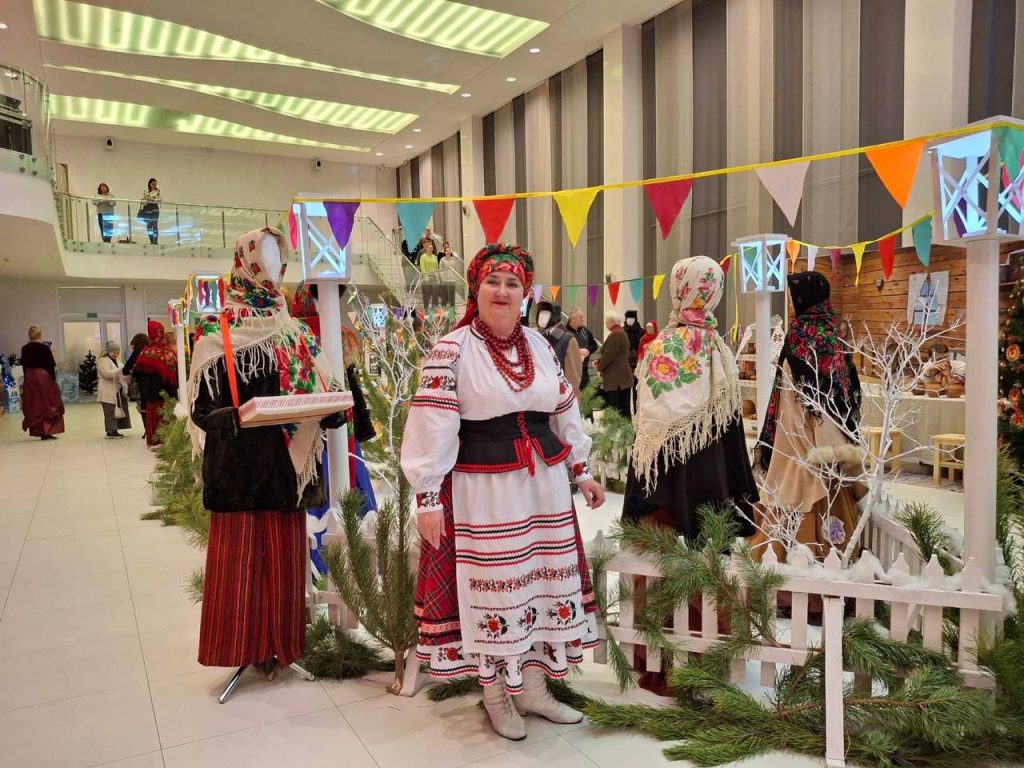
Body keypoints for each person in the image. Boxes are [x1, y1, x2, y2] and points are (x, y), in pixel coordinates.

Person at [401, 243, 606, 741]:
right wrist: (427, 499)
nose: (502, 291)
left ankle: (533, 689)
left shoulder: (539, 346)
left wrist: (581, 471)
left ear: (525, 293)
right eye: (493, 281)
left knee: (540, 586)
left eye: (512, 283)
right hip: (485, 491)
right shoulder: (452, 350)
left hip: (544, 488)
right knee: (497, 591)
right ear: (477, 288)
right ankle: (495, 695)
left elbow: (563, 409)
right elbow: (431, 426)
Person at [188, 228, 346, 675]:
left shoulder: (295, 330)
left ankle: (282, 647)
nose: (275, 268)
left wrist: (331, 412)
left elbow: (322, 388)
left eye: (280, 259)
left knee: (283, 567)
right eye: (267, 258)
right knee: (238, 569)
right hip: (239, 470)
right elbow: (202, 409)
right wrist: (231, 417)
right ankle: (243, 651)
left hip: (285, 473)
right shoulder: (216, 330)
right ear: (247, 262)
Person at [622, 256, 758, 693]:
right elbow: (729, 425)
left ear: (677, 289)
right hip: (708, 474)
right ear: (713, 293)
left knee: (659, 562)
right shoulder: (719, 350)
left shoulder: (660, 346)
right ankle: (704, 655)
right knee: (703, 565)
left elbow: (649, 420)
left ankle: (658, 657)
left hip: (660, 477)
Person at [751, 271, 865, 562]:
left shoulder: (799, 337)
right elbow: (844, 391)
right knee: (827, 493)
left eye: (793, 297)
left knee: (797, 487)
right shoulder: (833, 336)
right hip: (832, 438)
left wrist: (790, 434)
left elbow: (792, 391)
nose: (792, 303)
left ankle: (797, 561)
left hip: (800, 430)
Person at [132, 320, 178, 448]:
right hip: (170, 391)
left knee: (155, 413)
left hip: (151, 391)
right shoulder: (169, 352)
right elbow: (176, 372)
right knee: (168, 413)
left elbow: (137, 374)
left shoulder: (146, 352)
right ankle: (170, 439)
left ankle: (156, 440)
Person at [19, 325, 64, 440]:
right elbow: (50, 366)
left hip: (29, 377)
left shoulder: (24, 349)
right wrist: (53, 382)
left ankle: (38, 430)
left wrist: (26, 379)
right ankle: (47, 431)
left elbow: (24, 366)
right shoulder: (45, 348)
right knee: (48, 404)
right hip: (43, 377)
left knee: (34, 404)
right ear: (40, 335)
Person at [536, 300, 582, 395]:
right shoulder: (537, 337)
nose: (541, 317)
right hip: (540, 395)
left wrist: (571, 397)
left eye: (546, 314)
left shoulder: (567, 338)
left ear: (554, 316)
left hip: (562, 396)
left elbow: (573, 375)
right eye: (540, 313)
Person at [595, 311, 632, 417]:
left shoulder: (615, 335)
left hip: (616, 379)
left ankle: (618, 428)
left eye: (606, 321)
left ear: (612, 321)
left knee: (615, 409)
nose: (605, 323)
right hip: (623, 377)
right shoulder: (622, 332)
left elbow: (608, 355)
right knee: (624, 408)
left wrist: (599, 366)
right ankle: (626, 428)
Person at [97, 340, 131, 438]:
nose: (115, 354)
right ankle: (111, 431)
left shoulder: (118, 362)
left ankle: (115, 429)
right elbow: (106, 373)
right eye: (113, 352)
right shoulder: (102, 360)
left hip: (117, 390)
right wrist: (119, 371)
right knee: (110, 411)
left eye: (117, 352)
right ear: (108, 351)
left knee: (117, 409)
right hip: (107, 390)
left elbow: (123, 372)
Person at [567, 308, 599, 393]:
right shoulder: (565, 332)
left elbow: (594, 345)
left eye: (583, 317)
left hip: (584, 371)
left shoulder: (585, 330)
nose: (583, 319)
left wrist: (588, 351)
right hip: (571, 371)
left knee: (586, 396)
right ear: (573, 319)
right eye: (580, 317)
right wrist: (577, 352)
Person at [418, 239, 440, 308]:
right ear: (426, 248)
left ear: (433, 249)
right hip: (426, 278)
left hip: (434, 277)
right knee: (426, 294)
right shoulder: (423, 257)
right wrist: (426, 277)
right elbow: (423, 267)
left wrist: (438, 278)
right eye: (429, 248)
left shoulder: (435, 257)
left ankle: (435, 306)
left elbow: (436, 268)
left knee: (436, 292)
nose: (430, 249)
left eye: (431, 248)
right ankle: (426, 308)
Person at [140, 178, 160, 244]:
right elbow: (144, 199)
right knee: (149, 226)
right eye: (153, 184)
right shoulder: (146, 191)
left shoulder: (158, 191)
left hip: (155, 210)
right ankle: (151, 240)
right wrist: (148, 199)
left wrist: (150, 199)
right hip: (147, 210)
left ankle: (155, 241)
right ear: (149, 184)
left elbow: (158, 199)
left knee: (155, 225)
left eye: (155, 184)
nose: (154, 185)